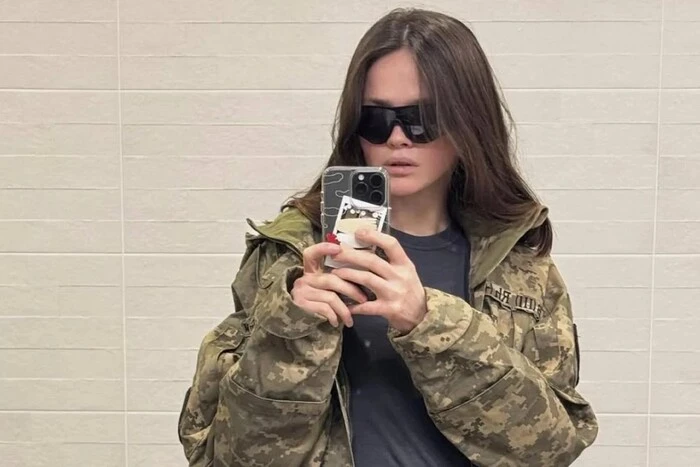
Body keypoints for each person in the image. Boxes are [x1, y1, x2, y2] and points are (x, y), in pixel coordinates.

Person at [178, 7, 598, 467]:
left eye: (422, 119)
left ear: (468, 121)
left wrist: (431, 323)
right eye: (376, 119)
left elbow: (548, 450)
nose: (397, 138)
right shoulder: (291, 257)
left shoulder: (519, 265)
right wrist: (290, 332)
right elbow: (228, 457)